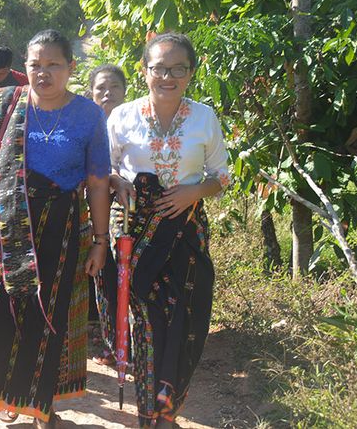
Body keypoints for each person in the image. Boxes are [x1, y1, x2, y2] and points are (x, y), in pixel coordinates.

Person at [0, 29, 111, 428]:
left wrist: (101, 241)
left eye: (53, 65)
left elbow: (98, 181)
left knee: (51, 316)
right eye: (34, 65)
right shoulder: (4, 103)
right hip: (7, 226)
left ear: (71, 67)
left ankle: (43, 406)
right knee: (5, 312)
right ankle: (10, 395)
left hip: (63, 232)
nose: (43, 73)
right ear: (23, 67)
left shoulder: (88, 115)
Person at [107, 32, 230, 428]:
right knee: (147, 317)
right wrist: (116, 182)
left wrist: (193, 192)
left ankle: (167, 404)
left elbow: (221, 177)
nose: (168, 76)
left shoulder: (204, 118)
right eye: (159, 67)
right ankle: (150, 409)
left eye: (178, 68)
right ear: (144, 71)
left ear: (191, 73)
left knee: (187, 315)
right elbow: (103, 168)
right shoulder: (122, 116)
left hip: (186, 227)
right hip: (133, 229)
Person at [85, 63, 128, 367]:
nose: (107, 93)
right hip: (90, 211)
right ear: (91, 92)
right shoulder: (86, 123)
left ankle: (125, 341)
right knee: (101, 276)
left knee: (124, 277)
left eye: (114, 86)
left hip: (127, 212)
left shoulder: (136, 122)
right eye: (101, 87)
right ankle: (107, 338)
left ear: (125, 90)